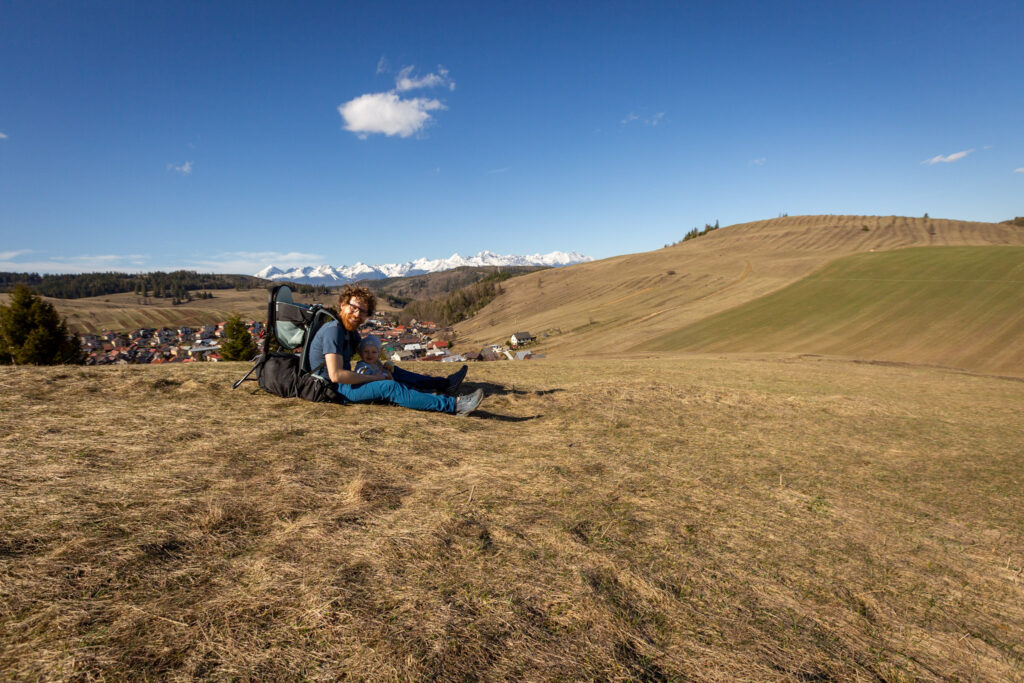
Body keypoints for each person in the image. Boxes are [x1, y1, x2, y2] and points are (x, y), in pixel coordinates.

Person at [307, 284, 482, 415]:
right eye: (353, 308)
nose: (357, 314)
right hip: (334, 389)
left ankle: (445, 384)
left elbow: (367, 352)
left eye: (362, 311)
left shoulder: (348, 330)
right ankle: (454, 405)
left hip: (341, 384)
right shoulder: (333, 331)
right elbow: (336, 375)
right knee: (389, 387)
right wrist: (374, 377)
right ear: (342, 305)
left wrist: (383, 369)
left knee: (393, 371)